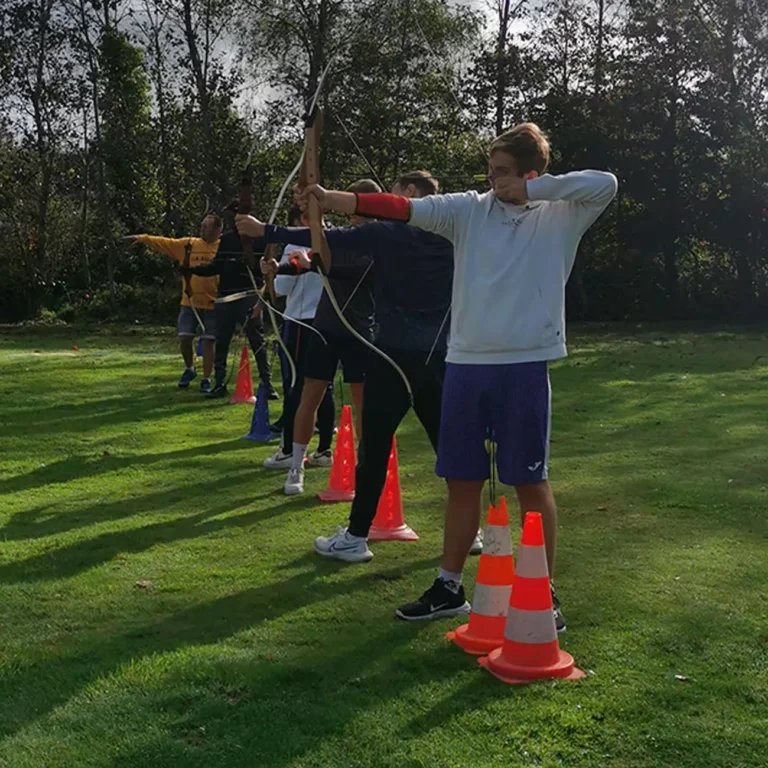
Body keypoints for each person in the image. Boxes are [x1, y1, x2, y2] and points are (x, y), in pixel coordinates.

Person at [300, 123, 618, 630]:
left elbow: (606, 183)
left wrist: (532, 190)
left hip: (524, 362)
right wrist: (330, 198)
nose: (493, 181)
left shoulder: (562, 214)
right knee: (461, 480)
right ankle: (449, 586)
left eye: (504, 172)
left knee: (529, 482)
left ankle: (543, 591)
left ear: (530, 174)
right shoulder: (469, 210)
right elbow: (403, 210)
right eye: (490, 171)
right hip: (467, 362)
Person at [253, 170, 481, 561]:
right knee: (448, 446)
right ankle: (470, 532)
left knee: (374, 448)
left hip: (390, 357)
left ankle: (357, 538)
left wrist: (266, 229)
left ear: (410, 194)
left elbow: (324, 241)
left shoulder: (389, 234)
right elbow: (329, 259)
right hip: (438, 357)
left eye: (394, 195)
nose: (389, 203)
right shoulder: (455, 235)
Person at [238, 179, 379, 496]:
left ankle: (366, 470)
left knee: (362, 404)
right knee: (309, 395)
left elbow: (343, 269)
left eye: (360, 206)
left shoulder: (380, 239)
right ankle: (295, 467)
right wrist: (280, 265)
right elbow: (308, 244)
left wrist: (306, 260)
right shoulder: (342, 236)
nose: (355, 214)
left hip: (359, 331)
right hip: (327, 328)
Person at [182, 201, 277, 400]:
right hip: (225, 297)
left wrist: (252, 262)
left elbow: (266, 267)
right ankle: (219, 383)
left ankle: (267, 384)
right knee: (222, 341)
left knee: (256, 339)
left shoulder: (260, 238)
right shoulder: (227, 240)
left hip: (248, 296)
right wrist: (193, 270)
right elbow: (217, 266)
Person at [267, 206, 336, 470]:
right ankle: (325, 449)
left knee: (297, 384)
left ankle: (287, 450)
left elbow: (282, 288)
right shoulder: (334, 237)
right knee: (323, 385)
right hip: (328, 322)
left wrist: (272, 273)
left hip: (301, 322)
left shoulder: (296, 243)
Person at [126, 215, 220, 392]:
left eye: (206, 227)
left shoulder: (222, 248)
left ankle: (206, 378)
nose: (202, 230)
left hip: (213, 303)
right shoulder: (189, 245)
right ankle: (189, 368)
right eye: (202, 226)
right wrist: (143, 238)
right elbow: (166, 243)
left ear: (217, 230)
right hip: (189, 300)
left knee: (209, 342)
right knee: (185, 337)